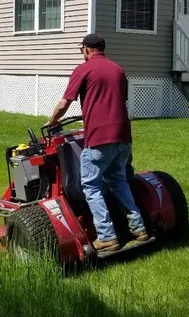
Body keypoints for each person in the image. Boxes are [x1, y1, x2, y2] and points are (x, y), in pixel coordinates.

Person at [45, 33, 149, 253]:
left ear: (86, 49)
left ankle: (107, 237)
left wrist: (53, 119)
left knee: (91, 186)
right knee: (118, 180)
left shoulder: (83, 70)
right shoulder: (118, 70)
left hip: (100, 138)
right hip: (123, 137)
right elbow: (117, 100)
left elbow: (66, 102)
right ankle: (139, 229)